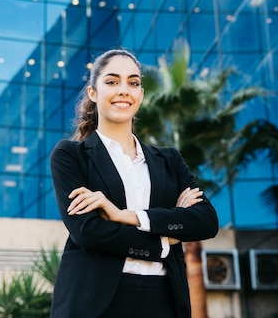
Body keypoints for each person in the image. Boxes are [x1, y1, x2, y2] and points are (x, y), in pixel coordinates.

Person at [49, 48, 219, 318]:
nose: (124, 90)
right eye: (112, 81)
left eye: (134, 82)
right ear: (93, 93)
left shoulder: (169, 160)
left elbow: (206, 221)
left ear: (140, 94)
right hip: (96, 302)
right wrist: (167, 240)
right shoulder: (70, 155)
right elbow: (88, 231)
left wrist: (125, 216)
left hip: (164, 299)